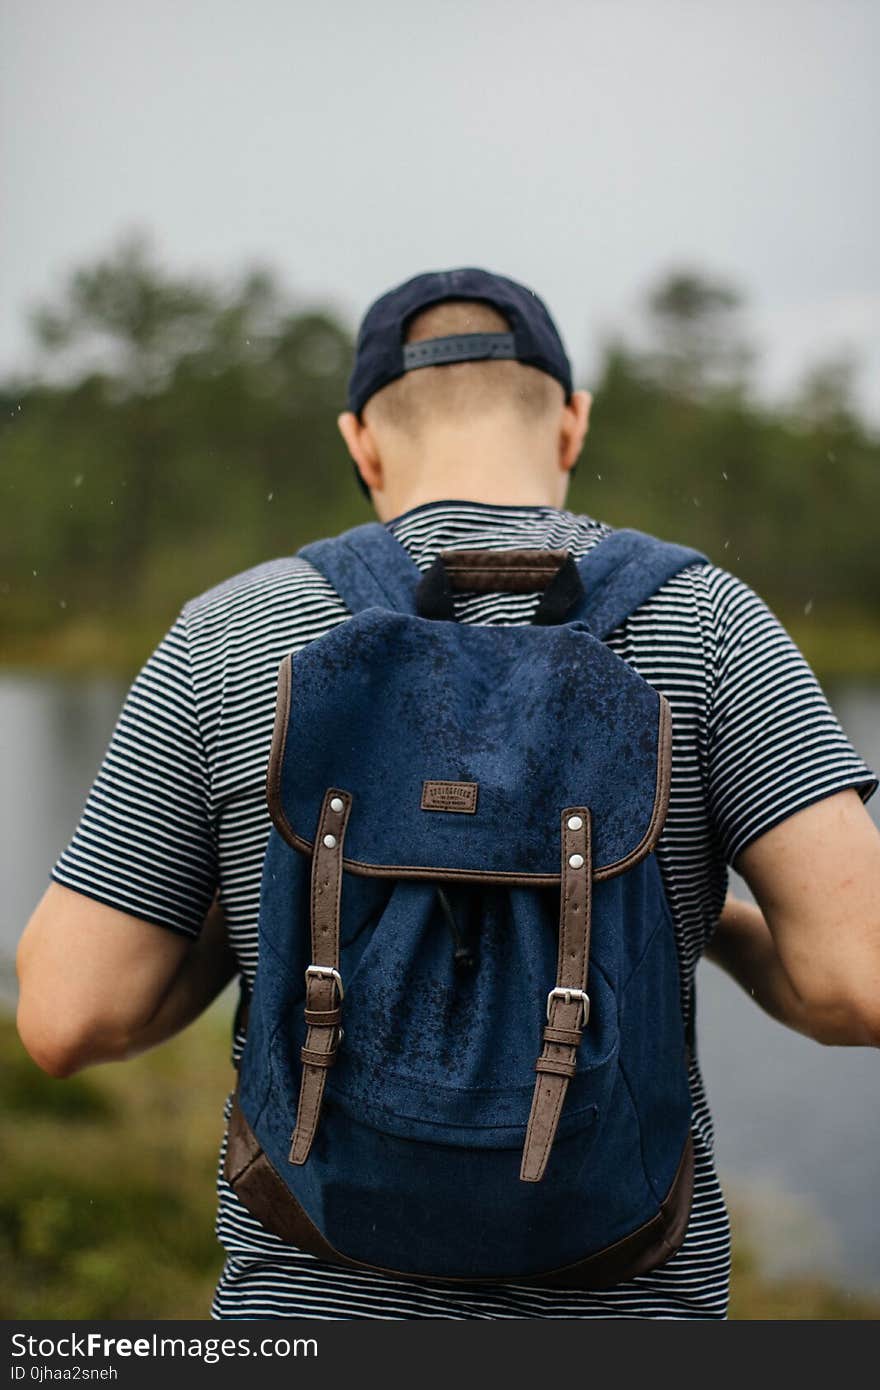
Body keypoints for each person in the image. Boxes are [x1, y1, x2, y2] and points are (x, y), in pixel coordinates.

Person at [16, 267, 880, 1320]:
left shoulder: (231, 635)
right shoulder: (710, 626)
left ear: (360, 443)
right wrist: (709, 922)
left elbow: (67, 1016)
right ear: (571, 424)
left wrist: (260, 911)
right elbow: (860, 980)